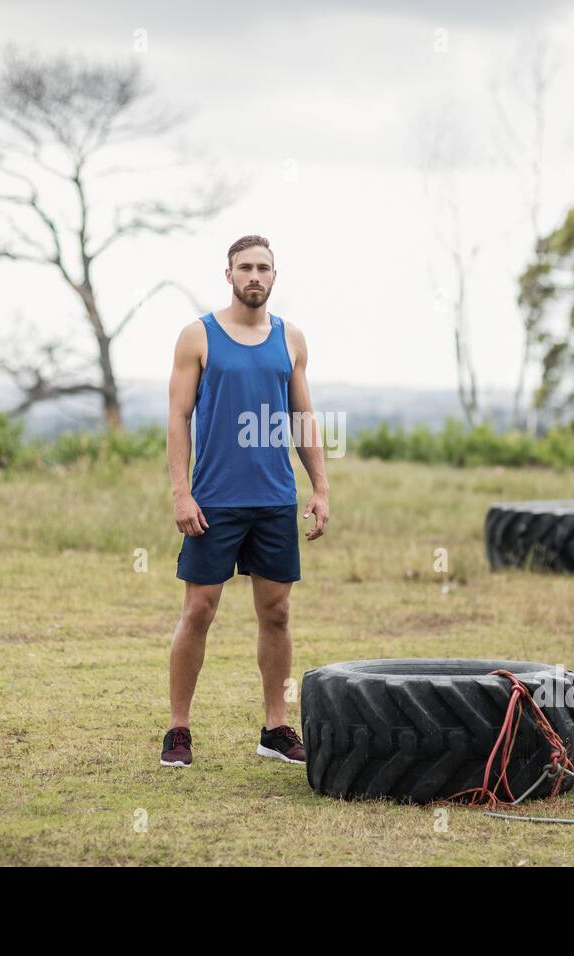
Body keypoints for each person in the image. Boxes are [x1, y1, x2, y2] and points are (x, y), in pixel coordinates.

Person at [160, 234, 329, 768]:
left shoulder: (292, 339)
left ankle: (275, 729)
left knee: (276, 613)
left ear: (274, 277)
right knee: (199, 610)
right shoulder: (197, 336)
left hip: (275, 500)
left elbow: (303, 419)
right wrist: (181, 492)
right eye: (245, 268)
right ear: (228, 275)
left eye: (263, 268)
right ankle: (179, 729)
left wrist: (320, 486)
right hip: (213, 501)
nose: (254, 276)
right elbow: (178, 418)